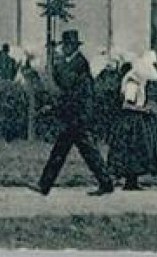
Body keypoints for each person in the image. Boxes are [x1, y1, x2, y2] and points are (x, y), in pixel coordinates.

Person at [31, 30, 113, 196]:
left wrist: (54, 66)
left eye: (66, 46)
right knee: (76, 151)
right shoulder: (73, 62)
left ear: (71, 46)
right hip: (74, 115)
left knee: (77, 151)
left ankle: (45, 185)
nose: (64, 49)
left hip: (78, 116)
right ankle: (45, 185)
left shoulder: (79, 63)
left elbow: (66, 84)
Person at [107, 51, 157, 191]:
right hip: (130, 121)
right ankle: (129, 181)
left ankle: (132, 181)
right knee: (133, 150)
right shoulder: (133, 82)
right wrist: (144, 110)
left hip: (135, 119)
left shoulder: (138, 81)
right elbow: (126, 105)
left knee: (136, 151)